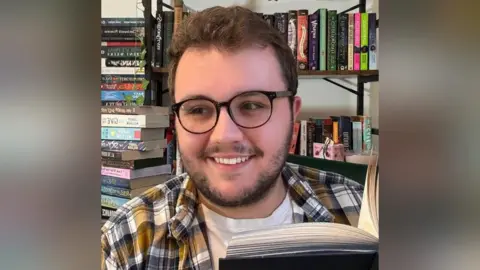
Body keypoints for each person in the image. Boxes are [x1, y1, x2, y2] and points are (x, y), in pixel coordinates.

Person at [101, 5, 364, 270]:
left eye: (251, 105)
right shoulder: (126, 242)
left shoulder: (364, 214)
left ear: (292, 115)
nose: (225, 134)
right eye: (198, 109)